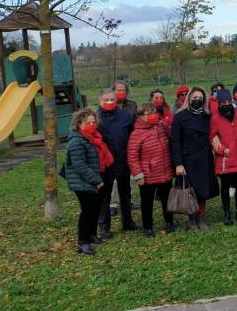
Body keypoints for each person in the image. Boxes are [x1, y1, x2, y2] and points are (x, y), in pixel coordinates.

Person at [171, 87, 219, 231]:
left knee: (203, 190)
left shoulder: (207, 116)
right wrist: (178, 163)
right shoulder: (180, 116)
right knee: (191, 190)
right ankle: (192, 219)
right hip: (188, 159)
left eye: (200, 98)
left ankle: (201, 217)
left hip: (204, 157)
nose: (197, 100)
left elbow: (213, 133)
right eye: (194, 97)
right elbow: (175, 141)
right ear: (189, 98)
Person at [65, 108, 109, 255]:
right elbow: (79, 165)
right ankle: (82, 242)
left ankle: (91, 234)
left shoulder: (93, 137)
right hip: (83, 182)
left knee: (95, 208)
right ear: (79, 123)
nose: (92, 124)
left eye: (93, 121)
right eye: (88, 122)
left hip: (96, 177)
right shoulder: (77, 141)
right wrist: (96, 180)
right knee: (87, 211)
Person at [127, 103, 174, 237]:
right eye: (149, 113)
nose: (153, 115)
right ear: (141, 116)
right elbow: (132, 156)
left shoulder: (161, 127)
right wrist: (138, 175)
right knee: (147, 202)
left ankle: (169, 221)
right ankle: (148, 226)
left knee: (167, 199)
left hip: (165, 170)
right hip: (148, 174)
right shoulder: (137, 133)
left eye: (154, 112)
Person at [96, 89, 136, 238]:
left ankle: (128, 221)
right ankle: (104, 227)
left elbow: (132, 135)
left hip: (123, 160)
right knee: (104, 197)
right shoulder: (95, 118)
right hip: (105, 164)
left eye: (112, 99)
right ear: (100, 101)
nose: (109, 102)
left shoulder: (125, 116)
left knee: (125, 194)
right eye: (106, 99)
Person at [210, 89, 237, 225]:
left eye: (228, 101)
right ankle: (227, 213)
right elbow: (212, 137)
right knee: (225, 186)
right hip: (225, 158)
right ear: (219, 103)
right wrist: (222, 150)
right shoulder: (215, 118)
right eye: (223, 102)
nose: (226, 104)